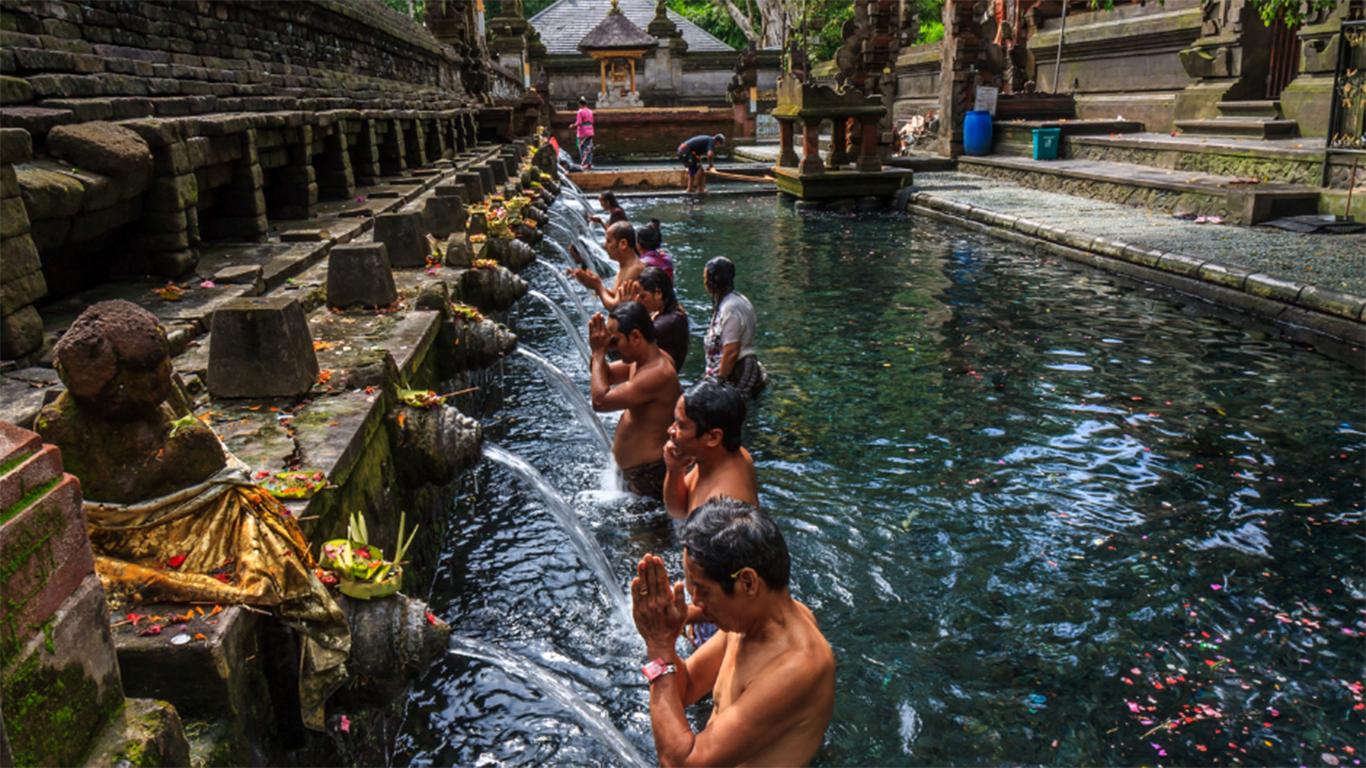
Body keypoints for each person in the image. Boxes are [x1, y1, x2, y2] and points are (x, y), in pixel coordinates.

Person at [630, 498, 835, 767]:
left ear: (748, 582)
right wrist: (666, 636)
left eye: (703, 590)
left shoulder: (798, 667)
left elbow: (682, 763)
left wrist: (659, 648)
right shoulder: (749, 621)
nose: (697, 602)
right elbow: (687, 687)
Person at [588, 302, 681, 500]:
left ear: (636, 337)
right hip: (634, 474)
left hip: (646, 478)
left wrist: (598, 353)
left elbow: (600, 401)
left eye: (616, 341)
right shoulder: (641, 362)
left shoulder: (658, 372)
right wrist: (602, 348)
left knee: (645, 532)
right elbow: (605, 375)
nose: (613, 347)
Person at [662, 380, 757, 521]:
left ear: (713, 437)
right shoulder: (717, 457)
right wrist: (675, 469)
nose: (670, 430)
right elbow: (679, 512)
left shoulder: (722, 511)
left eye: (681, 425)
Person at [702, 256, 766, 399]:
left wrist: (718, 383)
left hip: (738, 370)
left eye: (706, 277)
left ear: (714, 281)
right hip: (733, 368)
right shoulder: (732, 300)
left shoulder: (730, 308)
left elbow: (731, 352)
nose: (704, 282)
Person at [620, 266, 688, 370]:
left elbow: (634, 341)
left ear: (658, 293)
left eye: (643, 297)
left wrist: (628, 310)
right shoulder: (667, 312)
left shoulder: (669, 322)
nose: (639, 301)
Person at [571, 220, 643, 309]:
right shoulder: (625, 266)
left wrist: (598, 286)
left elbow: (615, 306)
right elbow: (614, 296)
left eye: (609, 241)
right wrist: (592, 283)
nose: (605, 246)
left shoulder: (634, 269)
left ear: (623, 244)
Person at [571, 96, 594, 170]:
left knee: (581, 147)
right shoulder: (590, 111)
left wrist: (572, 125)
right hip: (590, 131)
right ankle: (589, 163)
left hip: (582, 132)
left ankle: (584, 163)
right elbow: (592, 121)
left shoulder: (580, 111)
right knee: (589, 147)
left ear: (580, 104)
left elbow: (579, 122)